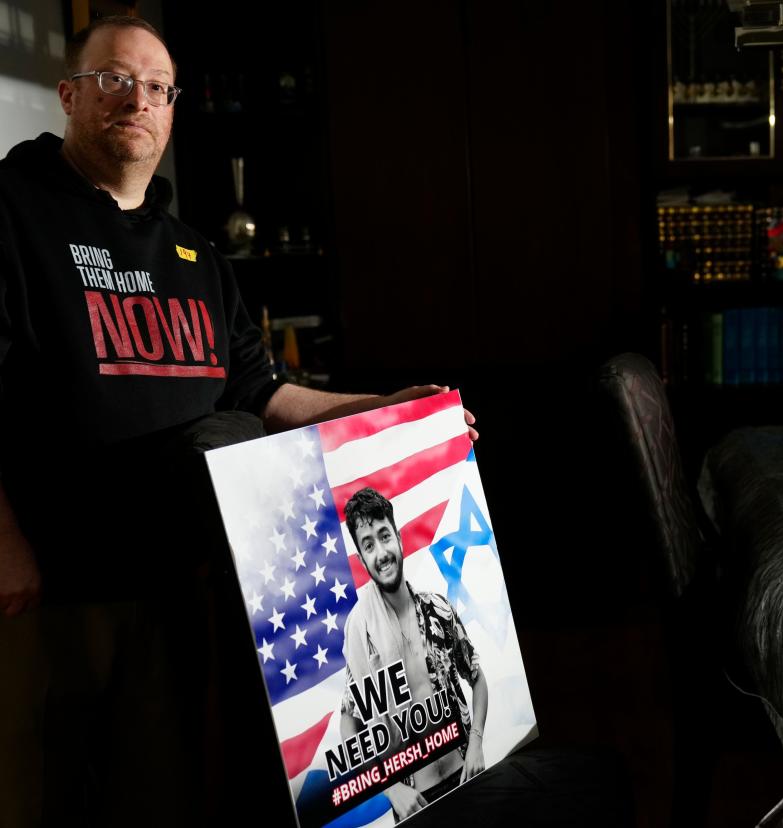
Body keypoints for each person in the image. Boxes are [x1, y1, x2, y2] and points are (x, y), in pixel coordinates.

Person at [0, 16, 474, 827]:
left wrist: (389, 406)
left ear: (174, 110)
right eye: (115, 78)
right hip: (57, 584)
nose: (136, 97)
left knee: (154, 795)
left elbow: (267, 395)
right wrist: (2, 540)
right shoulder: (12, 213)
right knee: (39, 795)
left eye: (156, 86)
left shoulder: (197, 257)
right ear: (71, 95)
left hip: (184, 585)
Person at [339, 487, 488, 818]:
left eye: (384, 536)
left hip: (465, 775)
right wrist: (391, 789)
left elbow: (478, 679)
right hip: (414, 803)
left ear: (399, 538)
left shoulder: (438, 609)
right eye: (368, 545)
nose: (382, 552)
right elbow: (348, 724)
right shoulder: (363, 632)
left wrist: (476, 741)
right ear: (362, 560)